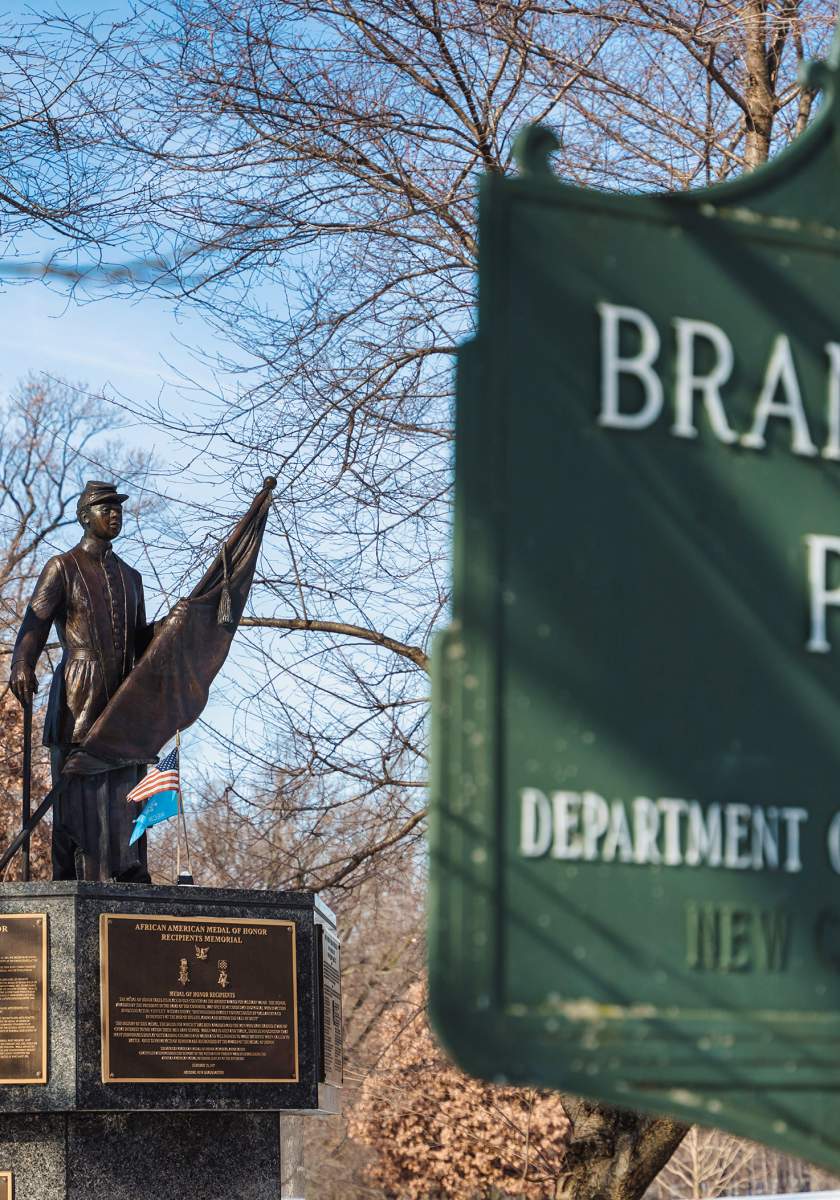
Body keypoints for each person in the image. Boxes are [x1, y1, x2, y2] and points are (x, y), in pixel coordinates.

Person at [9, 481, 186, 881]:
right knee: (78, 797)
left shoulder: (131, 577)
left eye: (118, 508)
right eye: (104, 507)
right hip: (78, 695)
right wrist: (22, 662)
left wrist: (171, 628)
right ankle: (77, 875)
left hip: (124, 699)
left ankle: (127, 874)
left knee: (125, 792)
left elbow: (139, 641)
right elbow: (33, 622)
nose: (114, 513)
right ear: (84, 517)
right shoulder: (63, 566)